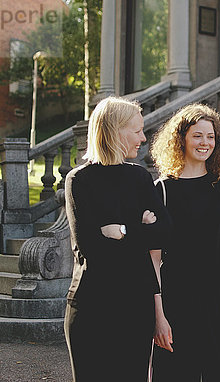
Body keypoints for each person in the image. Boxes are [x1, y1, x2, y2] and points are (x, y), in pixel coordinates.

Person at [64, 97, 171, 381]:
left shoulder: (139, 177)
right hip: (91, 307)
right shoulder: (79, 180)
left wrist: (122, 231)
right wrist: (141, 229)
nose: (143, 138)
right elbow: (92, 250)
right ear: (114, 131)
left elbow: (164, 233)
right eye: (137, 131)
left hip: (136, 307)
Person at [149, 103, 220, 382]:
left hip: (215, 298)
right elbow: (153, 260)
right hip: (173, 301)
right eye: (197, 135)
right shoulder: (162, 190)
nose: (205, 143)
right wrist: (159, 317)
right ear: (181, 138)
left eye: (211, 136)